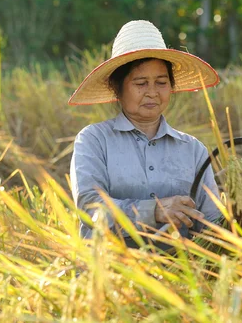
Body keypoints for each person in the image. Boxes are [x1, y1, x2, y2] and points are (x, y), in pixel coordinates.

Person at [69, 20, 223, 247]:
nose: (152, 93)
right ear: (117, 88)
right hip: (109, 272)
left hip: (179, 274)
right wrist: (154, 211)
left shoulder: (192, 149)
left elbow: (211, 222)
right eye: (141, 83)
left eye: (161, 82)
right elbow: (92, 208)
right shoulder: (94, 141)